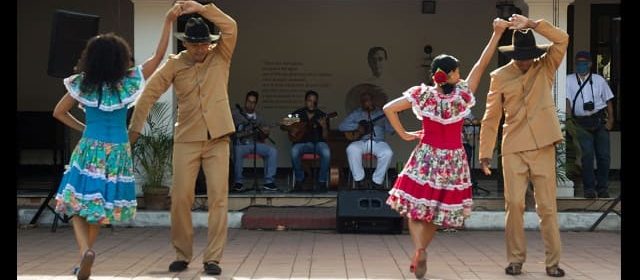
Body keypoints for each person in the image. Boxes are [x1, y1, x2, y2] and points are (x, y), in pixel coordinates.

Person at [52, 4, 181, 280]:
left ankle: (85, 251)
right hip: (119, 151)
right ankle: (87, 253)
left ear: (92, 58)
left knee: (73, 203)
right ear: (121, 57)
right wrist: (168, 20)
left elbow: (59, 112)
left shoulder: (83, 84)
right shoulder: (128, 82)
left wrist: (84, 126)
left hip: (90, 149)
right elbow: (158, 57)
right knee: (100, 207)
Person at [383, 18, 508, 279]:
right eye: (458, 71)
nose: (461, 74)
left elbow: (389, 108)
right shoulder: (462, 95)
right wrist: (497, 34)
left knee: (417, 208)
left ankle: (418, 249)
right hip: (452, 160)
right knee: (435, 214)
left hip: (426, 156)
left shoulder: (423, 94)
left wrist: (405, 134)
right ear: (451, 74)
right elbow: (481, 64)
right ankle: (423, 250)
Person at [128, 0, 237, 275]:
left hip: (218, 138)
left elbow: (231, 26)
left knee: (218, 198)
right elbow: (149, 93)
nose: (200, 49)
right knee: (179, 198)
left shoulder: (221, 54)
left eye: (204, 44)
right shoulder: (175, 65)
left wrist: (201, 8)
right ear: (185, 43)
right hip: (187, 138)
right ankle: (182, 253)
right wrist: (134, 132)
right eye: (195, 44)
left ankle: (213, 259)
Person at [478, 14, 569, 277]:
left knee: (547, 206)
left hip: (543, 145)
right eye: (521, 55)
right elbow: (492, 115)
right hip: (514, 146)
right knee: (514, 204)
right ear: (513, 54)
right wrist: (485, 152)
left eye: (529, 54)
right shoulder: (500, 76)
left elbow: (563, 39)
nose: (526, 60)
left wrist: (533, 24)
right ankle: (515, 260)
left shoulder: (546, 65)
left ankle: (553, 263)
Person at [566, 50, 614, 198]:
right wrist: (569, 122)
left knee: (604, 156)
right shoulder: (568, 80)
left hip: (599, 121)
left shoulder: (599, 80)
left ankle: (603, 188)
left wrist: (611, 120)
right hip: (580, 123)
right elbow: (567, 101)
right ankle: (589, 189)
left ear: (590, 64)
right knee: (587, 156)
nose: (581, 66)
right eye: (578, 63)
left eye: (584, 63)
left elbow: (608, 101)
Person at [338, 91, 394, 189]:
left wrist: (393, 117)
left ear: (372, 101)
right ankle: (360, 180)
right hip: (361, 141)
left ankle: (377, 181)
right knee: (351, 149)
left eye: (368, 100)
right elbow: (341, 126)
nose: (365, 102)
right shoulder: (356, 113)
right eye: (363, 100)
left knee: (388, 152)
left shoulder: (382, 113)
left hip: (378, 142)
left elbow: (391, 131)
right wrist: (357, 126)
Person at [231, 91, 279, 192]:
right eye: (249, 101)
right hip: (241, 145)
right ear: (245, 101)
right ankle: (238, 182)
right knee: (237, 150)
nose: (250, 104)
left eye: (253, 102)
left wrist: (266, 133)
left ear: (256, 104)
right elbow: (230, 130)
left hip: (255, 144)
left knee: (272, 151)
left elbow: (262, 137)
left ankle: (269, 182)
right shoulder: (236, 113)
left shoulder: (259, 117)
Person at [286, 90, 331, 193]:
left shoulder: (322, 115)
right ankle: (299, 180)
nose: (311, 103)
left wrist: (323, 126)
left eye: (314, 101)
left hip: (318, 143)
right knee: (294, 151)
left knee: (326, 152)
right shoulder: (298, 114)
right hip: (301, 143)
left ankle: (322, 182)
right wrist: (291, 129)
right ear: (305, 101)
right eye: (309, 101)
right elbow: (283, 124)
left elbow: (325, 137)